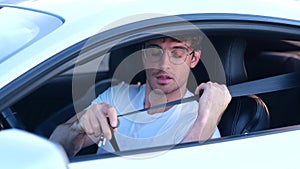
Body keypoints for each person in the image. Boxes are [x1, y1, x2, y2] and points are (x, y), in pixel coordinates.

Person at [50, 34, 232, 157]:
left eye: (177, 54)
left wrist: (204, 123)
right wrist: (78, 129)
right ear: (143, 55)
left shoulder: (201, 120)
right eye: (154, 52)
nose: (164, 65)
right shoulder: (116, 97)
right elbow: (55, 146)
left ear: (194, 59)